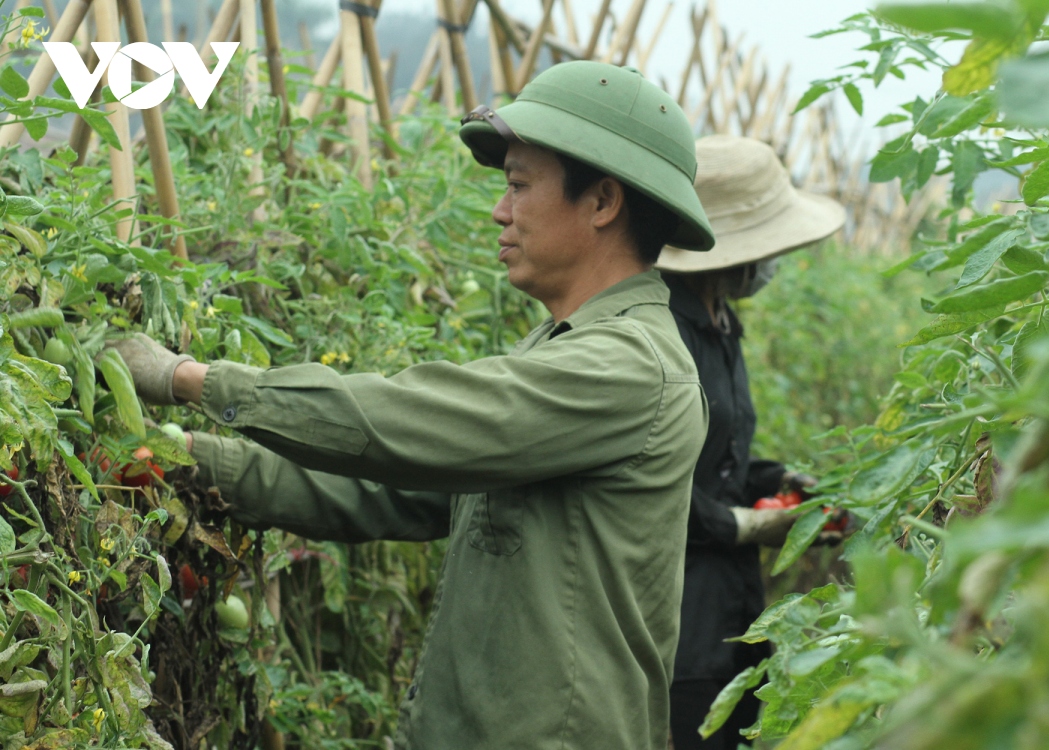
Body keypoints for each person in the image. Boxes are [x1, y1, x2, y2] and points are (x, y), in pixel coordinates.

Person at [111, 61, 716, 750]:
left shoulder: (627, 367)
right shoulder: (564, 349)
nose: (500, 210)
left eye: (519, 185)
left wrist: (192, 379)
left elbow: (408, 422)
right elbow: (387, 492)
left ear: (603, 202)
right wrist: (193, 459)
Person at [656, 135, 847, 750]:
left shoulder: (720, 322)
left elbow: (718, 455)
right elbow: (648, 482)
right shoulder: (661, 337)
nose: (772, 265)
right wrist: (744, 525)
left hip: (735, 604)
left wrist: (782, 485)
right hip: (678, 618)